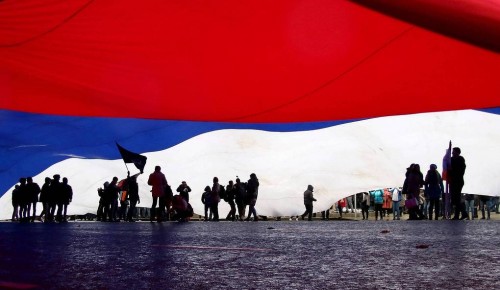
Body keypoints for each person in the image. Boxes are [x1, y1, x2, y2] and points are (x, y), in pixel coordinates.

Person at [449, 147, 467, 220]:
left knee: (456, 199)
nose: (452, 153)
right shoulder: (453, 159)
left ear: (457, 152)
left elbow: (459, 171)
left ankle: (458, 215)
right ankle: (463, 213)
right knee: (455, 199)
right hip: (453, 181)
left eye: (453, 152)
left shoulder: (460, 160)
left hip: (458, 181)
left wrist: (451, 169)